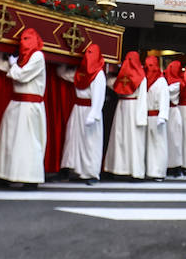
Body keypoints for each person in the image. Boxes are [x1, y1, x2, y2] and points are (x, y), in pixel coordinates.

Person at [0, 27, 47, 187]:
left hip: (30, 106)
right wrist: (0, 52)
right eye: (22, 39)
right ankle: (3, 175)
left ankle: (30, 179)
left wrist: (12, 63)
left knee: (28, 142)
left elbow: (21, 75)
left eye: (28, 39)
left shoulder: (38, 56)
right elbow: (0, 65)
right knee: (8, 141)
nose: (24, 43)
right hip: (15, 104)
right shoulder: (20, 57)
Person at [59, 43, 106, 184]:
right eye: (87, 53)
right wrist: (64, 60)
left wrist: (94, 114)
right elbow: (62, 74)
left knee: (90, 142)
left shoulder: (99, 75)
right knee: (73, 139)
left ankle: (91, 173)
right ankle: (74, 169)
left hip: (90, 111)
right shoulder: (80, 72)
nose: (89, 56)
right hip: (77, 109)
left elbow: (99, 96)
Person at [103, 51, 147, 179]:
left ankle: (119, 169)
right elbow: (143, 97)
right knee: (130, 140)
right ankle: (131, 170)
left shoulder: (122, 77)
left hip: (124, 107)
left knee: (121, 139)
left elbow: (112, 83)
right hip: (132, 107)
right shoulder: (142, 77)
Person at [143, 54, 170, 181]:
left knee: (159, 145)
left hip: (157, 117)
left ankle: (159, 171)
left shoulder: (161, 81)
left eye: (151, 65)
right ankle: (150, 170)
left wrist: (162, 116)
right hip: (148, 117)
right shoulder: (146, 80)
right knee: (150, 145)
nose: (149, 68)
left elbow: (165, 100)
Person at [162, 59, 184, 177]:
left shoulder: (177, 83)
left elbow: (166, 92)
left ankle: (175, 166)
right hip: (167, 112)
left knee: (174, 141)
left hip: (173, 112)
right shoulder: (166, 81)